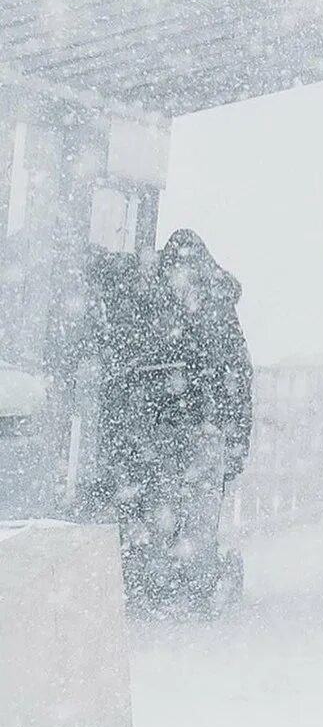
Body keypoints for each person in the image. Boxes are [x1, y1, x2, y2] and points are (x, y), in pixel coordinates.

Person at [91, 230, 252, 612]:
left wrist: (234, 436)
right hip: (183, 429)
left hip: (181, 429)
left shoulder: (177, 307)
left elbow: (236, 375)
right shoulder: (204, 307)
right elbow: (237, 376)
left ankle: (179, 580)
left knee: (177, 508)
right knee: (176, 507)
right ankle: (177, 580)